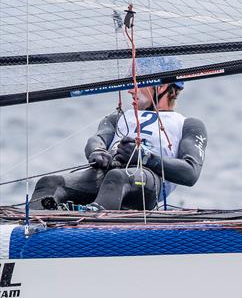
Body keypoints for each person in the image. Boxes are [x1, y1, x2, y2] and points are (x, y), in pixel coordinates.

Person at [31, 56, 208, 211]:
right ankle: (30, 234)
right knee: (49, 183)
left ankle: (94, 231)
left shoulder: (187, 124)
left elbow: (191, 173)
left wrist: (145, 157)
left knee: (116, 178)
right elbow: (97, 139)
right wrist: (97, 152)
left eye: (137, 83)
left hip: (147, 185)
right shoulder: (119, 117)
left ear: (161, 86)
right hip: (107, 175)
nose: (130, 89)